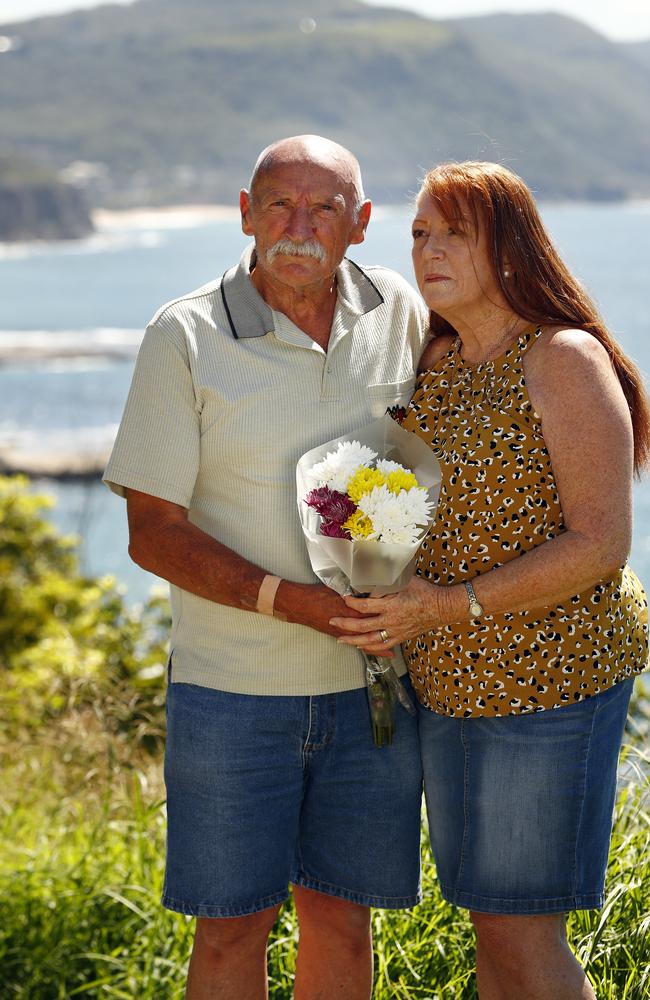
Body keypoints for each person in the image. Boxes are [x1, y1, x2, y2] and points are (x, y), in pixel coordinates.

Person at [103, 135, 430, 1000]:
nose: (300, 225)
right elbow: (152, 532)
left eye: (325, 207)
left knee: (342, 920)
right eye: (279, 202)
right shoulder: (185, 334)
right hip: (231, 695)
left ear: (361, 225)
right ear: (243, 212)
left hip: (373, 688)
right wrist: (293, 604)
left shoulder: (402, 310)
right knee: (230, 933)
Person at [331, 160, 650, 999]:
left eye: (455, 232)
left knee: (520, 931)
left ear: (510, 244)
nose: (429, 250)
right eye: (420, 233)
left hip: (549, 685)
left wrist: (447, 605)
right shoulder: (434, 362)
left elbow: (601, 543)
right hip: (451, 684)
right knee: (490, 926)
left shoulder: (563, 358)